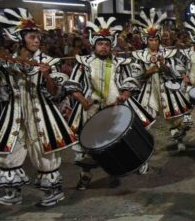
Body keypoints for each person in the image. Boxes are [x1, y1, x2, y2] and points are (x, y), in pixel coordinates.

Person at [0, 8, 78, 206]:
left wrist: (46, 75)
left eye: (38, 37)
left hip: (41, 115)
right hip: (15, 115)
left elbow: (55, 93)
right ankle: (13, 193)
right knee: (8, 155)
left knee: (45, 155)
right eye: (33, 37)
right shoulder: (6, 63)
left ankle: (53, 192)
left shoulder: (48, 62)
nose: (37, 41)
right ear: (20, 38)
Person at [65, 16, 154, 189]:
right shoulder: (83, 63)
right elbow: (72, 84)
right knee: (86, 146)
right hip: (90, 109)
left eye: (106, 44)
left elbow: (130, 81)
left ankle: (138, 161)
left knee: (127, 137)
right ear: (94, 45)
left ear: (111, 45)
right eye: (100, 44)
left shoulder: (119, 63)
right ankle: (85, 176)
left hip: (116, 107)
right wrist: (82, 100)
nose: (103, 47)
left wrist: (125, 94)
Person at [131, 9, 191, 151]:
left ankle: (179, 140)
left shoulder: (168, 53)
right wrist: (149, 71)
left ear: (159, 40)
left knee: (174, 119)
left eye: (155, 40)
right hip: (148, 92)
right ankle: (142, 150)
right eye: (150, 40)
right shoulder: (139, 55)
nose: (153, 42)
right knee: (144, 121)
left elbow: (176, 73)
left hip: (167, 90)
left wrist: (164, 66)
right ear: (146, 40)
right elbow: (135, 77)